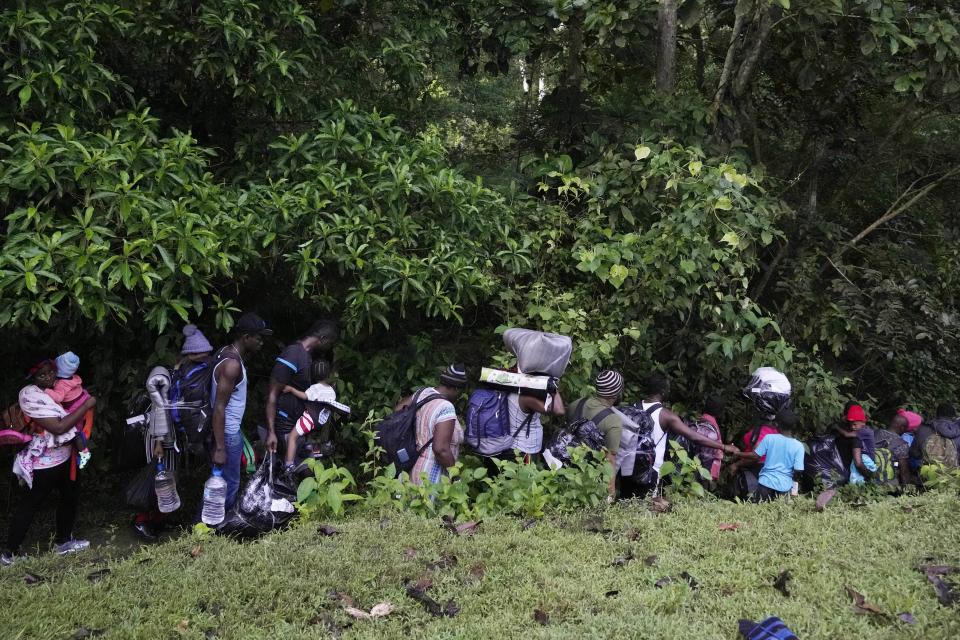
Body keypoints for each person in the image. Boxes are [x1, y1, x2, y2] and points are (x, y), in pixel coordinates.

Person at [2, 360, 97, 565]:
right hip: (43, 464)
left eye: (50, 373)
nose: (48, 378)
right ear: (32, 378)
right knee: (29, 505)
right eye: (41, 375)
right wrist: (87, 405)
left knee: (69, 498)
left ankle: (63, 542)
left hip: (66, 457)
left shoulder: (59, 389)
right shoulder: (30, 395)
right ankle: (9, 554)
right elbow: (59, 427)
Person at [133, 324, 214, 541]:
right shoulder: (167, 378)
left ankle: (160, 520)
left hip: (171, 437)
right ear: (190, 355)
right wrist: (159, 442)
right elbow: (161, 411)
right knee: (157, 479)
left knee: (169, 478)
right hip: (158, 436)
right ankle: (142, 521)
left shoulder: (183, 374)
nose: (206, 361)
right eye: (202, 357)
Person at [630, 372, 737, 495]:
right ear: (663, 392)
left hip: (628, 466)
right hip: (651, 470)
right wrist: (723, 446)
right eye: (668, 388)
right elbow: (693, 436)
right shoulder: (666, 415)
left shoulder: (633, 407)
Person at [211, 312, 271, 509]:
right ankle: (216, 526)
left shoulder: (225, 353)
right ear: (246, 338)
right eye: (259, 338)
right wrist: (220, 448)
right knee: (229, 484)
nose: (262, 342)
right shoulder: (232, 365)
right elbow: (219, 407)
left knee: (220, 481)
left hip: (227, 431)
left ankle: (207, 524)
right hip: (227, 434)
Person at [265, 319, 339, 459]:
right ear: (323, 339)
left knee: (303, 468)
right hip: (283, 424)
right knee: (297, 468)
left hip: (294, 423)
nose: (330, 347)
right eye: (330, 343)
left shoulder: (307, 357)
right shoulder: (293, 354)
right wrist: (271, 431)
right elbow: (272, 393)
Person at [567, 370, 625, 497]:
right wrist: (611, 494)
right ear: (615, 394)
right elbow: (609, 460)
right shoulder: (613, 421)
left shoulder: (576, 404)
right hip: (590, 480)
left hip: (567, 470)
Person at [409, 364, 468, 485]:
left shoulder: (423, 393)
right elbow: (440, 449)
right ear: (456, 388)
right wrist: (455, 476)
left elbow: (399, 409)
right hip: (431, 475)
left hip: (413, 467)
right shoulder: (445, 407)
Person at [734, 409, 804, 501]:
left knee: (760, 512)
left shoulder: (769, 438)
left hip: (765, 483)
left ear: (777, 424)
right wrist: (794, 491)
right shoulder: (799, 446)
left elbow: (755, 456)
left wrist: (737, 453)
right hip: (785, 486)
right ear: (794, 426)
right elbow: (798, 471)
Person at [283, 359, 337, 470]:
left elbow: (304, 396)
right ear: (328, 375)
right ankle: (307, 448)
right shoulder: (331, 390)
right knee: (305, 435)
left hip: (310, 418)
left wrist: (292, 389)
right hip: (321, 421)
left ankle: (289, 464)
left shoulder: (315, 388)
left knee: (292, 437)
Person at [44, 351, 93, 469]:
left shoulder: (61, 384)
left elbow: (59, 397)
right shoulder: (74, 377)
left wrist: (46, 390)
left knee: (75, 432)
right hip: (83, 399)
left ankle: (84, 453)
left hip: (74, 408)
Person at [835, 404, 873, 481]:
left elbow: (847, 434)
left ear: (863, 422)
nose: (852, 427)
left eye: (855, 424)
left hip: (867, 459)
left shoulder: (864, 431)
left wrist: (836, 427)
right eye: (851, 424)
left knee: (858, 480)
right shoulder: (861, 427)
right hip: (863, 457)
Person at [874, 411, 912, 487]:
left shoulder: (875, 433)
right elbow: (903, 471)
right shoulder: (902, 444)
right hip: (889, 482)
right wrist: (907, 488)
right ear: (902, 428)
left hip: (871, 476)